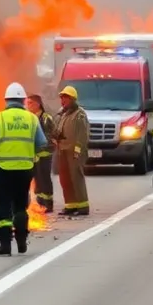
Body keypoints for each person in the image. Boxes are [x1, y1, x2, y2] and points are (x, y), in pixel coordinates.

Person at [0, 82, 48, 255]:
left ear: (6, 100)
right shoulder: (32, 118)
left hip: (3, 168)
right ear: (23, 100)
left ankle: (5, 245)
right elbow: (42, 143)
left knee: (3, 205)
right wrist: (29, 153)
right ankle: (21, 243)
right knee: (20, 206)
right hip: (25, 168)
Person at [54, 85, 91, 217]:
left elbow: (82, 135)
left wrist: (77, 152)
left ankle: (82, 206)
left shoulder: (79, 114)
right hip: (62, 150)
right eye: (62, 98)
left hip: (74, 152)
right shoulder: (63, 114)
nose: (62, 100)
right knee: (65, 179)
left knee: (76, 178)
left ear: (73, 99)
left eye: (65, 98)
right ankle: (70, 205)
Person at [26, 94, 57, 212]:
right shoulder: (31, 118)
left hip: (45, 154)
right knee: (37, 179)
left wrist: (46, 146)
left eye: (31, 103)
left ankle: (48, 204)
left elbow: (54, 134)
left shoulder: (46, 118)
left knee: (44, 178)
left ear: (38, 104)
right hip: (34, 154)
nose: (28, 106)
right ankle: (40, 203)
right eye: (27, 103)